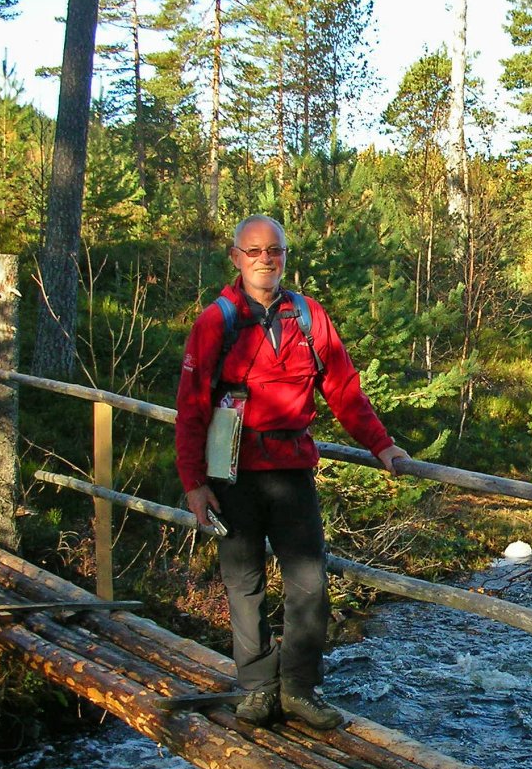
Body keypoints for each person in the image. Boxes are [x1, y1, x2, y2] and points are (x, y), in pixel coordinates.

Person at [175, 215, 410, 731]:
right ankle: (259, 690)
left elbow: (343, 388)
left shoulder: (307, 316)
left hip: (293, 469)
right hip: (232, 474)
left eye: (275, 250)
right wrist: (193, 484)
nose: (266, 259)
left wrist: (382, 445)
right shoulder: (215, 322)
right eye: (255, 251)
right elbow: (191, 407)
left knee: (308, 583)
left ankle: (299, 688)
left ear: (285, 256)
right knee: (244, 582)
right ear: (235, 257)